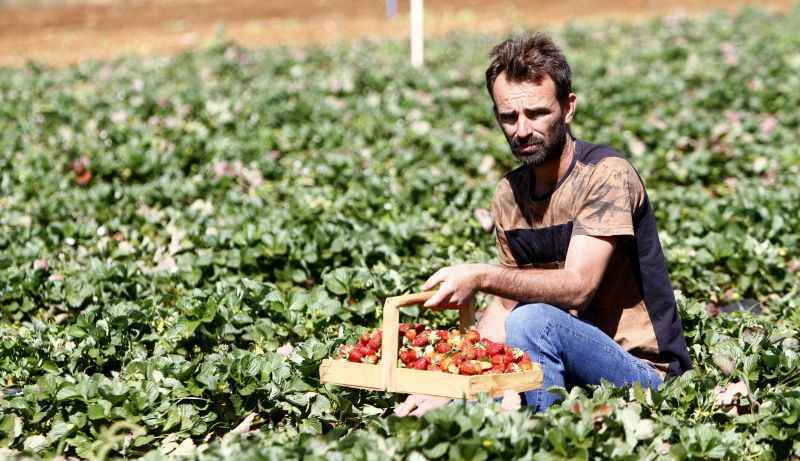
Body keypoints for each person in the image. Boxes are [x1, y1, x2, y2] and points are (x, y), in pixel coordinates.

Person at [395, 33, 691, 417]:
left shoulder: (605, 175)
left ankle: (538, 433)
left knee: (532, 321)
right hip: (568, 362)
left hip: (645, 376)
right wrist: (451, 386)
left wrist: (484, 275)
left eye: (536, 114)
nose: (521, 130)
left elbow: (577, 287)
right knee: (516, 332)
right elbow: (505, 306)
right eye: (508, 116)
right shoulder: (509, 194)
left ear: (568, 108)